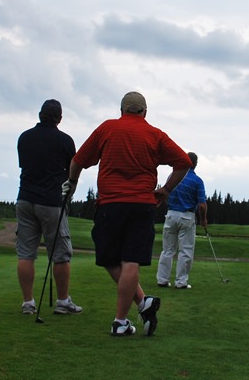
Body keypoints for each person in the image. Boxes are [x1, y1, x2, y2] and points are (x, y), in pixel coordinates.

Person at [62, 91, 192, 337]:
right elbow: (183, 162)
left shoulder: (107, 128)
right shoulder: (155, 134)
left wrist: (72, 182)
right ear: (145, 112)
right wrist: (165, 190)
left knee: (110, 259)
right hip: (142, 205)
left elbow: (78, 161)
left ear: (121, 110)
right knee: (130, 260)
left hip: (109, 204)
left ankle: (121, 321)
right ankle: (142, 303)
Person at [16, 99, 83, 316]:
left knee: (26, 253)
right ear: (59, 118)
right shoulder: (65, 141)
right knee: (60, 254)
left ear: (40, 115)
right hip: (52, 202)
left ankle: (28, 303)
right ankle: (63, 301)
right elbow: (72, 170)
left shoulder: (24, 137)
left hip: (25, 199)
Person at [156, 152, 208, 289]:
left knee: (167, 250)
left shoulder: (172, 176)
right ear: (195, 164)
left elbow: (165, 194)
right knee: (185, 250)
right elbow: (202, 205)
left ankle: (162, 280)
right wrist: (203, 219)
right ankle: (181, 282)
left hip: (171, 215)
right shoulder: (197, 181)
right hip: (187, 216)